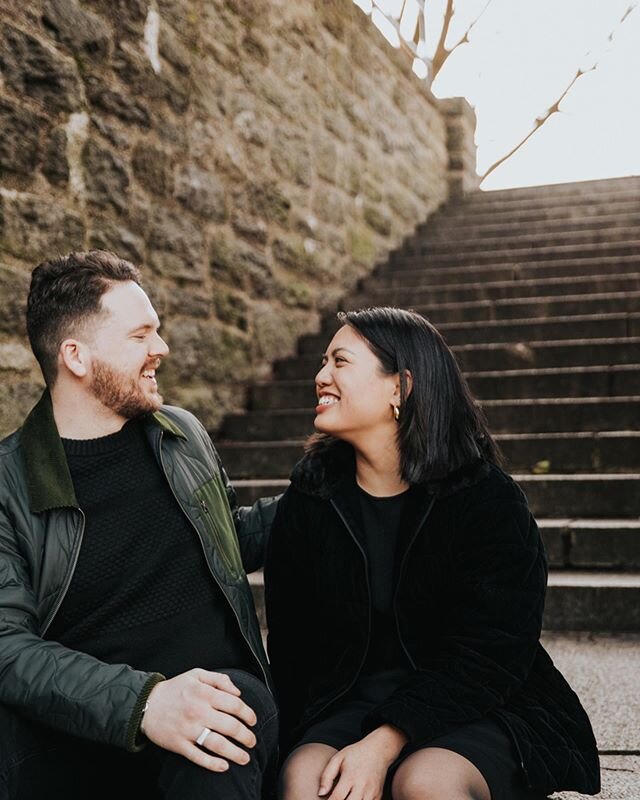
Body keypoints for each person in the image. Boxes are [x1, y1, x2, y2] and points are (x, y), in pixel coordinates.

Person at [264, 307, 600, 800]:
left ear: (400, 386)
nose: (320, 377)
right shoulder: (311, 499)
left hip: (475, 702)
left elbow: (493, 651)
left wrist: (384, 744)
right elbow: (293, 649)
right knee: (307, 784)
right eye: (323, 362)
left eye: (340, 362)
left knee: (424, 783)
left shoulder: (485, 499)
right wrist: (296, 740)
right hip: (348, 702)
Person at [0, 250, 279, 800]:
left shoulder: (181, 434)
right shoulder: (8, 484)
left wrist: (338, 483)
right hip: (81, 725)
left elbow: (226, 538)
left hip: (215, 694)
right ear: (75, 356)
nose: (162, 349)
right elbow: (6, 646)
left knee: (221, 737)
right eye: (140, 335)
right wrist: (145, 703)